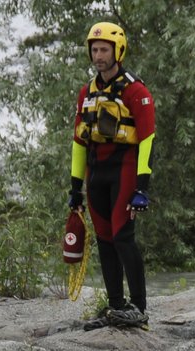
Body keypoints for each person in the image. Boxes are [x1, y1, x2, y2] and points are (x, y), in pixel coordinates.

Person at [70, 21, 156, 331]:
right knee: (106, 241)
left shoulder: (135, 90)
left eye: (104, 49)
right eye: (94, 49)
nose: (98, 55)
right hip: (96, 174)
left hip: (125, 170)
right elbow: (79, 142)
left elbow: (146, 138)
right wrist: (74, 188)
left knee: (123, 237)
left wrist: (142, 187)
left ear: (118, 51)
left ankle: (140, 308)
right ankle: (117, 306)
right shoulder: (87, 92)